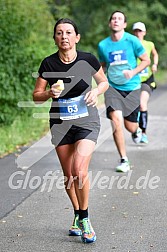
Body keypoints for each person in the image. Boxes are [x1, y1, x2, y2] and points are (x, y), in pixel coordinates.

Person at [33, 18, 109, 243]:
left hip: (87, 121)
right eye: (59, 33)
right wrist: (48, 94)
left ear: (77, 37)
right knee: (68, 175)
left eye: (68, 33)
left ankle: (85, 218)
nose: (63, 37)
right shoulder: (48, 64)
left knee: (79, 170)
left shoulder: (88, 59)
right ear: (55, 38)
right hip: (60, 123)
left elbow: (103, 82)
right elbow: (35, 96)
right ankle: (77, 213)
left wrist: (96, 92)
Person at [98, 11, 150, 172]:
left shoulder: (132, 40)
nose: (116, 21)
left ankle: (138, 130)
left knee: (130, 126)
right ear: (109, 23)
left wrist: (133, 72)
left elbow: (146, 60)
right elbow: (102, 66)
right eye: (113, 18)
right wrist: (101, 81)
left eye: (119, 19)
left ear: (124, 24)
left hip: (132, 88)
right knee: (116, 121)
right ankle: (124, 160)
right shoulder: (103, 45)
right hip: (113, 87)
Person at [132, 22, 159, 144]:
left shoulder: (149, 44)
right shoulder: (130, 45)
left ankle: (143, 133)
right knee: (134, 106)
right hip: (133, 80)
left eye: (140, 31)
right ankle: (135, 128)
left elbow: (155, 54)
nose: (138, 33)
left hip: (147, 80)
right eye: (136, 31)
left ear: (144, 32)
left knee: (142, 104)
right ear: (133, 33)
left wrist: (154, 64)